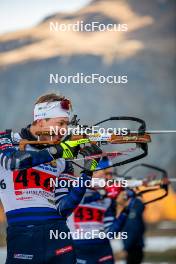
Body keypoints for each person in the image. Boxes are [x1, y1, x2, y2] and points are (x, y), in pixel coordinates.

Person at [0, 93, 102, 264]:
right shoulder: (8, 139)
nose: (64, 130)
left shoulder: (63, 159)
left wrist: (87, 172)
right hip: (23, 235)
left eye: (66, 124)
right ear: (41, 121)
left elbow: (64, 208)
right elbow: (13, 162)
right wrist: (57, 151)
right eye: (60, 123)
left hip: (58, 235)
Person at [67, 157, 135, 264]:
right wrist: (104, 193)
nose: (109, 178)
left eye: (111, 174)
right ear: (93, 172)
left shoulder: (108, 198)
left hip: (102, 248)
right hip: (79, 247)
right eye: (106, 173)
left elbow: (110, 233)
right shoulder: (74, 188)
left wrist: (125, 210)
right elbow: (80, 199)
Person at [116, 189, 145, 264]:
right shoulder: (130, 210)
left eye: (119, 195)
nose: (117, 198)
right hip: (134, 248)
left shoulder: (133, 211)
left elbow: (132, 230)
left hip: (133, 249)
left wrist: (126, 248)